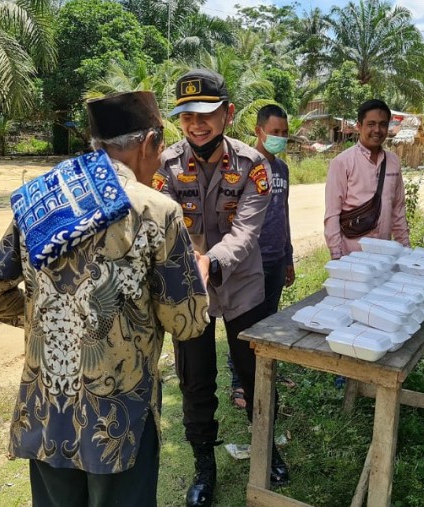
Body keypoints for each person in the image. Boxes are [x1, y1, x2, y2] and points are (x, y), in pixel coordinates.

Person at [0, 91, 209, 507]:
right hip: (119, 419)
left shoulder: (39, 201)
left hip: (46, 411)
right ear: (148, 142)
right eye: (161, 147)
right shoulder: (157, 211)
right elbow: (187, 322)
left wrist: (45, 318)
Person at [153, 69, 289, 507]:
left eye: (206, 113)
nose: (196, 123)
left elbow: (247, 232)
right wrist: (189, 260)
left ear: (227, 114)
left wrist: (209, 260)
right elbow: (165, 222)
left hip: (241, 286)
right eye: (187, 114)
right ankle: (203, 468)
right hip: (190, 293)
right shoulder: (166, 165)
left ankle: (266, 451)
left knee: (253, 376)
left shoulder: (254, 165)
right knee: (196, 380)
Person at [229, 104, 295, 409]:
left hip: (277, 257)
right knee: (245, 323)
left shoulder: (282, 169)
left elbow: (285, 212)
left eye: (284, 133)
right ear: (259, 131)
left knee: (269, 320)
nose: (280, 137)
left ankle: (268, 373)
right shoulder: (242, 167)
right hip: (250, 260)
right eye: (274, 132)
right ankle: (239, 382)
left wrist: (289, 255)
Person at [324, 98, 410, 260]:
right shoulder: (342, 162)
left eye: (383, 124)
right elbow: (332, 214)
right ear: (359, 126)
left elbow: (398, 210)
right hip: (352, 256)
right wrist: (337, 256)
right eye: (371, 124)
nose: (377, 130)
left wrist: (405, 249)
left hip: (385, 256)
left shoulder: (393, 162)